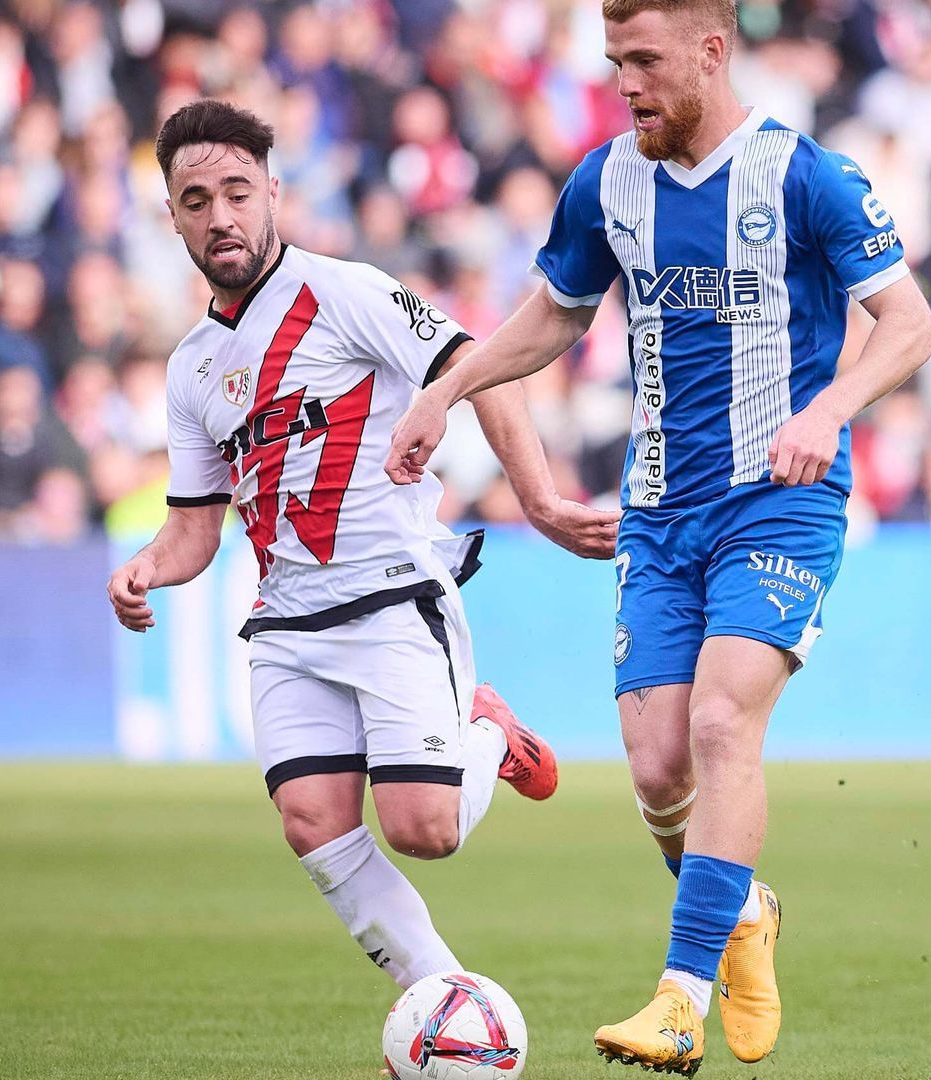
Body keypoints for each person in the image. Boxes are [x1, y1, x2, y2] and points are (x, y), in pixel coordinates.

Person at [386, 1, 931, 1072]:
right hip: (659, 510)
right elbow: (555, 314)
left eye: (644, 60)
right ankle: (744, 910)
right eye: (614, 62)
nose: (625, 82)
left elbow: (909, 325)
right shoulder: (607, 181)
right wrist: (446, 391)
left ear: (711, 51)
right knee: (657, 772)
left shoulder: (806, 177)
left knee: (724, 723)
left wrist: (829, 410)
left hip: (780, 499)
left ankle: (679, 1003)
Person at [105, 100, 617, 993]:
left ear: (273, 192)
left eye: (237, 192)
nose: (220, 216)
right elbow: (195, 526)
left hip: (388, 595)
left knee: (426, 829)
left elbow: (482, 368)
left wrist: (538, 500)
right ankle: (446, 1007)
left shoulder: (346, 293)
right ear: (172, 217)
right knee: (313, 822)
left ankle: (488, 732)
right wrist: (149, 566)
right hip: (287, 623)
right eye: (196, 201)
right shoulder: (191, 368)